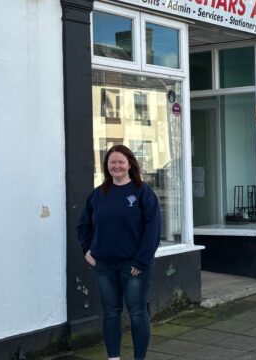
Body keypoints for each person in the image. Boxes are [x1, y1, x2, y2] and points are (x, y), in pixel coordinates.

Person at [77, 144, 161, 360]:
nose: (116, 166)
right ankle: (113, 358)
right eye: (112, 162)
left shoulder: (143, 192)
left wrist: (142, 261)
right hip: (104, 266)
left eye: (121, 162)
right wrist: (87, 249)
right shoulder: (98, 195)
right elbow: (83, 225)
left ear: (130, 164)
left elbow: (153, 229)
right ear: (106, 166)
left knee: (137, 312)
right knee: (111, 312)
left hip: (134, 266)